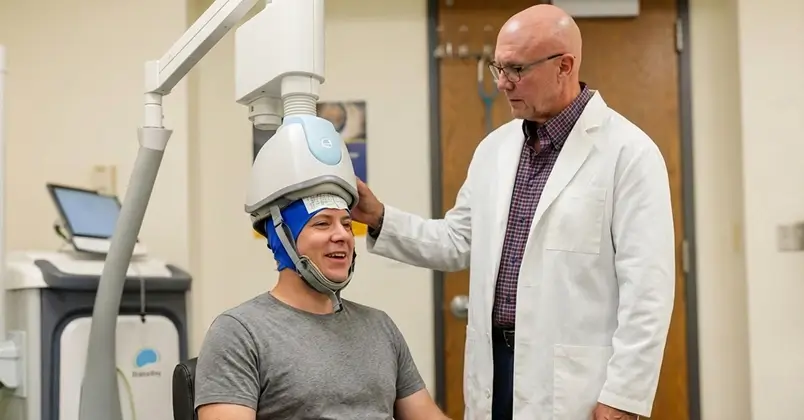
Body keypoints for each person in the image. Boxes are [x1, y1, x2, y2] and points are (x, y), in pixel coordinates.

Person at [350, 4, 675, 420]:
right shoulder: (495, 150)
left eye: (517, 70)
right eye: (497, 68)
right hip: (495, 365)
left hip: (574, 382)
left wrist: (624, 397)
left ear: (565, 66)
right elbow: (457, 241)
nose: (503, 83)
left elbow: (648, 291)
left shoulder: (629, 153)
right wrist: (378, 217)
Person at [193, 193, 450, 420]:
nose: (341, 235)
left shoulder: (380, 326)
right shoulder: (239, 332)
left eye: (347, 225)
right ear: (284, 240)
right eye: (322, 223)